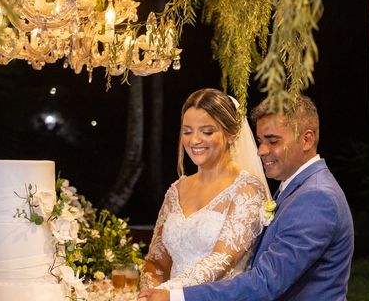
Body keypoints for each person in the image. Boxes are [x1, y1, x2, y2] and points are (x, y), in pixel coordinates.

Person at [139, 94, 354, 301]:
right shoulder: (295, 190)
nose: (261, 150)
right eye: (260, 140)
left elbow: (266, 282)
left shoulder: (316, 197)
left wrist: (173, 296)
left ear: (307, 139)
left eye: (272, 141)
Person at [140, 88, 271, 292]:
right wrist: (148, 292)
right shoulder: (176, 189)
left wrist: (166, 293)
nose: (194, 140)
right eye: (187, 131)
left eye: (207, 131)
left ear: (230, 133)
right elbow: (156, 263)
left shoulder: (247, 190)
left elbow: (220, 261)